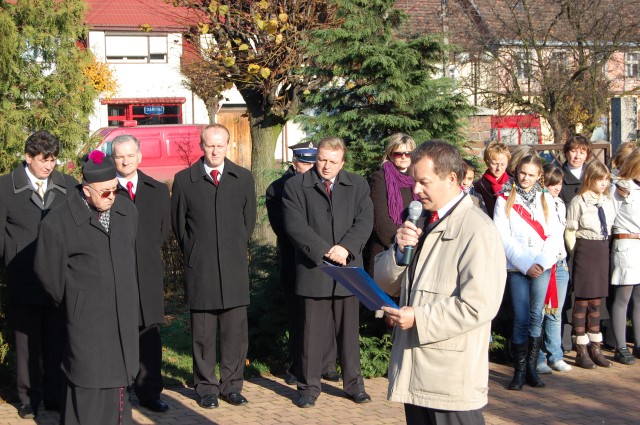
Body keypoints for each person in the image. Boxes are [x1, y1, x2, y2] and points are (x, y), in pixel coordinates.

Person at [375, 140, 506, 425]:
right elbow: (384, 282)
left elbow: (478, 306)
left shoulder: (477, 230)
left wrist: (417, 318)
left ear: (452, 179)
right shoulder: (420, 221)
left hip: (450, 379)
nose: (415, 190)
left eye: (424, 182)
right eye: (414, 182)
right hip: (415, 371)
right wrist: (398, 253)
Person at [34, 150, 140, 425]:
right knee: (88, 383)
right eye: (104, 192)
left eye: (114, 189)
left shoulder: (126, 210)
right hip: (87, 322)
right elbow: (49, 275)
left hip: (122, 318)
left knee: (119, 385)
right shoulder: (58, 222)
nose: (111, 197)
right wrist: (77, 302)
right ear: (85, 189)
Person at [282, 136, 373, 408]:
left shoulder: (358, 184)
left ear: (342, 162)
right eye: (322, 159)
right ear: (316, 157)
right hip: (314, 268)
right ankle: (309, 387)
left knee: (348, 333)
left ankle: (354, 385)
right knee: (311, 333)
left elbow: (365, 221)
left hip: (348, 267)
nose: (326, 166)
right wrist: (324, 250)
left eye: (333, 161)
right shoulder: (295, 186)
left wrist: (345, 248)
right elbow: (295, 226)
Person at [171, 124, 256, 408]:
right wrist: (196, 251)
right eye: (210, 145)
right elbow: (179, 224)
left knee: (234, 333)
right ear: (202, 146)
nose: (215, 150)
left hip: (233, 267)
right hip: (202, 268)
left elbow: (249, 221)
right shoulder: (184, 180)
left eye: (220, 145)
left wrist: (233, 248)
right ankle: (206, 387)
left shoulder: (243, 178)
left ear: (228, 145)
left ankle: (232, 385)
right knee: (203, 334)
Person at [0, 131, 77, 419]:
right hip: (23, 278)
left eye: (54, 160)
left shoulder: (68, 186)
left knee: (57, 340)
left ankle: (55, 395)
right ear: (28, 157)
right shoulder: (5, 188)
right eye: (44, 160)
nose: (49, 166)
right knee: (26, 343)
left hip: (59, 280)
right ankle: (27, 398)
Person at [265, 141, 339, 386]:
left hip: (325, 257)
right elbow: (286, 229)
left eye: (312, 163)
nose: (309, 168)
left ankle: (327, 365)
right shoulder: (278, 189)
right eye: (304, 163)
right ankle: (298, 366)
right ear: (294, 162)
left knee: (326, 313)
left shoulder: (323, 185)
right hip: (295, 260)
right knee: (300, 316)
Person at [111, 135, 171, 412]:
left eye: (130, 155)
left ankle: (149, 393)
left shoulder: (157, 189)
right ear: (113, 159)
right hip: (114, 274)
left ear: (140, 156)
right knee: (117, 334)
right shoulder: (105, 191)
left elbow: (162, 231)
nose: (125, 161)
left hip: (147, 273)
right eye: (120, 156)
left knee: (149, 336)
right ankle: (118, 392)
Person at [493, 154, 561, 390]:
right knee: (520, 318)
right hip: (517, 266)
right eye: (523, 173)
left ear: (539, 176)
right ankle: (519, 371)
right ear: (517, 170)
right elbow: (503, 236)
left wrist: (541, 263)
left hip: (542, 265)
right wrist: (525, 263)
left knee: (536, 316)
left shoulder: (546, 198)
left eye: (531, 175)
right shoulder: (504, 198)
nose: (525, 178)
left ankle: (532, 368)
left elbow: (554, 233)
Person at [565, 160, 615, 369]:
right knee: (583, 301)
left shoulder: (608, 200)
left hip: (602, 249)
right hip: (585, 250)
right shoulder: (579, 201)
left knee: (597, 301)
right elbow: (570, 230)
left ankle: (596, 345)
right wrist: (575, 254)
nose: (603, 183)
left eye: (606, 180)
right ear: (590, 179)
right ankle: (581, 348)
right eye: (599, 179)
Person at [536, 164, 572, 374]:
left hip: (560, 263)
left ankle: (555, 355)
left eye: (559, 183)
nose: (557, 187)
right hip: (543, 263)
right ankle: (538, 356)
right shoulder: (539, 203)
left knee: (555, 312)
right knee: (539, 312)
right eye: (552, 183)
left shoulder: (560, 203)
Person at [366, 133, 417, 276]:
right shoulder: (380, 178)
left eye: (408, 153)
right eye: (398, 153)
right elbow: (380, 219)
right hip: (388, 249)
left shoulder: (417, 178)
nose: (403, 157)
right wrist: (400, 243)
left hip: (414, 248)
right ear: (390, 154)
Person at [609, 148, 640, 364]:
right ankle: (620, 347)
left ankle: (639, 343)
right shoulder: (622, 186)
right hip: (626, 243)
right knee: (623, 298)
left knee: (639, 299)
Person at [473, 141, 511, 217]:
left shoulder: (513, 182)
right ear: (487, 162)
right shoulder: (480, 185)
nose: (499, 168)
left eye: (502, 164)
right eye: (495, 164)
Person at [559, 134, 593, 204]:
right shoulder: (558, 175)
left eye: (582, 153)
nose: (577, 156)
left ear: (587, 155)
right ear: (566, 153)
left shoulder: (592, 173)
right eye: (573, 151)